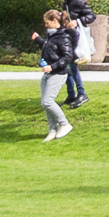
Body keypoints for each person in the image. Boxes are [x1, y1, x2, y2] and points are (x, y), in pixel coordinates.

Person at [30, 10, 74, 142]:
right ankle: (52, 130)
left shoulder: (63, 37)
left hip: (58, 73)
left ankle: (65, 124)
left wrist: (52, 66)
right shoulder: (52, 36)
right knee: (45, 103)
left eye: (47, 23)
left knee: (47, 101)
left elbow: (68, 57)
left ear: (55, 21)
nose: (46, 26)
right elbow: (49, 48)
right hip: (48, 73)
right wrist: (38, 40)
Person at [54, 0, 96, 108]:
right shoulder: (66, 3)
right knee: (67, 65)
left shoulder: (78, 1)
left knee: (71, 66)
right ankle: (71, 94)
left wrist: (77, 21)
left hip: (76, 37)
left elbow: (91, 16)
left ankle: (81, 94)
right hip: (69, 35)